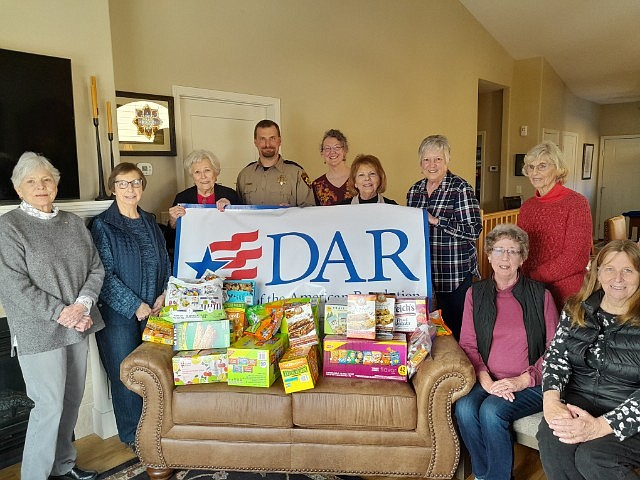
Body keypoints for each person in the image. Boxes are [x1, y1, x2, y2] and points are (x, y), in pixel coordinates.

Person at [0, 152, 104, 480]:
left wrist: (83, 306)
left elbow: (95, 268)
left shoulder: (73, 222)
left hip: (78, 323)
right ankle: (35, 475)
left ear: (56, 184)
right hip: (39, 331)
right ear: (19, 189)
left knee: (71, 401)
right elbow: (15, 286)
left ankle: (63, 465)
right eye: (31, 181)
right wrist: (64, 314)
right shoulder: (9, 227)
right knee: (48, 407)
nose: (41, 186)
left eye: (47, 179)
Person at [456, 224, 559, 480]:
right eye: (499, 250)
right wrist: (487, 381)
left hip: (531, 383)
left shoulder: (540, 295)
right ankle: (483, 474)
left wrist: (523, 379)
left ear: (522, 258)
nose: (505, 257)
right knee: (464, 408)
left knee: (492, 412)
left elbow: (555, 350)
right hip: (489, 378)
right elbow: (468, 344)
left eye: (512, 251)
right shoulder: (475, 294)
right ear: (489, 255)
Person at [537, 239, 640, 479]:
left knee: (594, 457)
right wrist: (551, 402)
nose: (618, 278)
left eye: (628, 270)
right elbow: (556, 358)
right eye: (610, 269)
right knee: (554, 442)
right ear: (598, 272)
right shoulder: (576, 309)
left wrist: (600, 427)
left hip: (629, 414)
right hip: (578, 402)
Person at [90, 162, 171, 452]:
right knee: (125, 374)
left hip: (154, 310)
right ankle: (133, 437)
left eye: (135, 182)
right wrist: (134, 305)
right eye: (123, 184)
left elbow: (163, 259)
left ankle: (156, 429)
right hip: (119, 315)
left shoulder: (149, 220)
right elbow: (102, 275)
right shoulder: (103, 225)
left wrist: (164, 292)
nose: (130, 189)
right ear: (113, 188)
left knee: (154, 371)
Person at [406, 134, 482, 339]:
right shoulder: (414, 191)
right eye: (426, 160)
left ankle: (460, 370)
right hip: (423, 275)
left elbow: (474, 230)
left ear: (447, 160)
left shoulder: (460, 189)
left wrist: (437, 221)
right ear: (420, 163)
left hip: (454, 274)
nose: (432, 165)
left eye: (438, 159)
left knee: (455, 330)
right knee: (426, 330)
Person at [517, 141, 592, 312]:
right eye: (530, 167)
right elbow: (520, 249)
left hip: (565, 293)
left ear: (558, 169)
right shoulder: (527, 206)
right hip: (531, 290)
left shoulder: (576, 203)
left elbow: (576, 258)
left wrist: (535, 277)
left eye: (542, 166)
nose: (534, 172)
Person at [166, 149, 241, 255]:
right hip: (194, 255)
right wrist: (173, 222)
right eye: (197, 172)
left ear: (215, 173)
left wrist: (231, 210)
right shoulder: (182, 198)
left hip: (225, 253)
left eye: (207, 170)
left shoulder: (230, 195)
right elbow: (170, 242)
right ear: (192, 176)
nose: (203, 176)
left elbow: (242, 228)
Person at [235, 119, 316, 207]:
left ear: (279, 141)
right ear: (255, 142)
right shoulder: (244, 175)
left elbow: (309, 210)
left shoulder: (297, 173)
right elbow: (237, 211)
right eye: (262, 139)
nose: (268, 144)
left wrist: (291, 211)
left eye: (272, 138)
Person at [311, 129, 353, 205]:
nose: (332, 152)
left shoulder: (358, 178)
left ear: (344, 150)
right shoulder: (317, 185)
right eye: (327, 148)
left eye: (337, 147)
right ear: (322, 153)